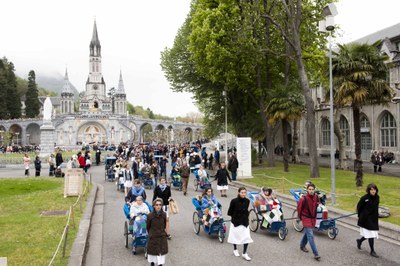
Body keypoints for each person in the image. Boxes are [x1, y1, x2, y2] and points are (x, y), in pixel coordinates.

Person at [227, 187, 253, 261]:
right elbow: (229, 212)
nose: (243, 194)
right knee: (235, 237)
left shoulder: (247, 201)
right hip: (236, 222)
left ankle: (244, 253)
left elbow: (246, 211)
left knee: (246, 237)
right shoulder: (233, 201)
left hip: (245, 221)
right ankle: (235, 249)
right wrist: (235, 217)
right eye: (242, 192)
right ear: (238, 192)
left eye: (245, 192)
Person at [297, 183, 320, 261]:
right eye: (309, 189)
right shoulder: (303, 199)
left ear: (314, 190)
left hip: (313, 218)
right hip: (305, 218)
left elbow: (318, 205)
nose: (311, 191)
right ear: (307, 190)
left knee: (307, 233)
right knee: (310, 235)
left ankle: (302, 245)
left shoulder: (317, 197)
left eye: (312, 189)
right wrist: (300, 218)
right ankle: (316, 254)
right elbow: (299, 208)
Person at [356, 183, 380, 258]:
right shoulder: (364, 198)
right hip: (365, 219)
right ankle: (372, 251)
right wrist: (360, 216)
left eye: (374, 189)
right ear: (368, 190)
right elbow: (359, 207)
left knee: (369, 235)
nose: (373, 191)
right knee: (371, 235)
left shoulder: (377, 197)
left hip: (373, 219)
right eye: (371, 190)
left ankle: (359, 241)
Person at [147, 198, 168, 266]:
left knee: (161, 256)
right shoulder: (150, 215)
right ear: (154, 206)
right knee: (152, 256)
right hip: (153, 237)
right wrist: (151, 234)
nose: (158, 206)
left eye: (160, 205)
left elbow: (165, 225)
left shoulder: (164, 214)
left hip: (162, 236)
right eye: (157, 205)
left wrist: (164, 233)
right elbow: (147, 226)